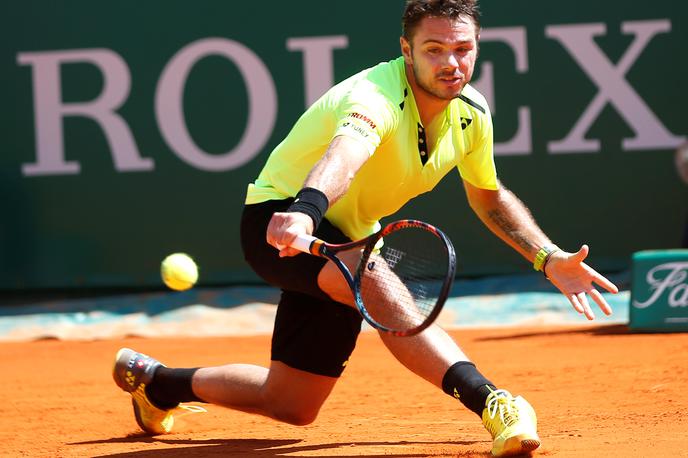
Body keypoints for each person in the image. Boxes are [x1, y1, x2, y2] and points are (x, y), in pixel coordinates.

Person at [113, 1, 619, 455]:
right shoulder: (375, 94)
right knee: (371, 280)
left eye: (462, 49)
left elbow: (489, 198)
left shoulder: (473, 114)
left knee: (291, 404)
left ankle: (157, 384)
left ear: (477, 49)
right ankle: (493, 402)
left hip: (347, 233)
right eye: (434, 49)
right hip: (281, 220)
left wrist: (546, 256)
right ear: (407, 49)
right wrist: (307, 211)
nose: (450, 62)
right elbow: (346, 154)